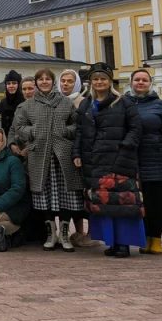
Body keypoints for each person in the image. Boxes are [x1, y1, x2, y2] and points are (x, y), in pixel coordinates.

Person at [75, 63, 144, 258]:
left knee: (122, 203)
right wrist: (76, 154)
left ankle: (123, 243)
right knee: (103, 203)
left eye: (103, 78)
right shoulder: (86, 104)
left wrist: (125, 147)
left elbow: (135, 128)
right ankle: (111, 241)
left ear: (110, 81)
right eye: (96, 79)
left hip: (118, 160)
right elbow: (80, 131)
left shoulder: (123, 102)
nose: (99, 82)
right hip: (94, 160)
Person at [11, 68, 81, 252]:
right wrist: (33, 132)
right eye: (40, 79)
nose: (44, 82)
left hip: (62, 155)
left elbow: (76, 124)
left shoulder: (65, 102)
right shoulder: (28, 105)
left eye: (47, 79)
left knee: (67, 195)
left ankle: (65, 234)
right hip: (40, 155)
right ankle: (52, 233)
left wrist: (66, 132)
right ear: (36, 83)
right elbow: (18, 127)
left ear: (52, 81)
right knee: (44, 196)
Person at [126, 68, 162, 255]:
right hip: (132, 161)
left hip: (156, 161)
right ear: (131, 82)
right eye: (137, 80)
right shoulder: (124, 104)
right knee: (137, 203)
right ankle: (143, 237)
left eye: (144, 80)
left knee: (156, 203)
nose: (140, 83)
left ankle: (156, 239)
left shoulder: (161, 106)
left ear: (150, 83)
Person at [58, 68, 96, 248]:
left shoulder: (83, 102)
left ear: (77, 83)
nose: (65, 84)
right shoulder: (57, 101)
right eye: (63, 81)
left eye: (69, 81)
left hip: (81, 154)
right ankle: (78, 231)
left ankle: (91, 233)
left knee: (85, 194)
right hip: (63, 155)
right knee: (71, 195)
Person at [0, 70, 23, 136]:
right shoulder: (2, 103)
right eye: (8, 83)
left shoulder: (24, 102)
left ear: (19, 85)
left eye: (14, 83)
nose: (11, 86)